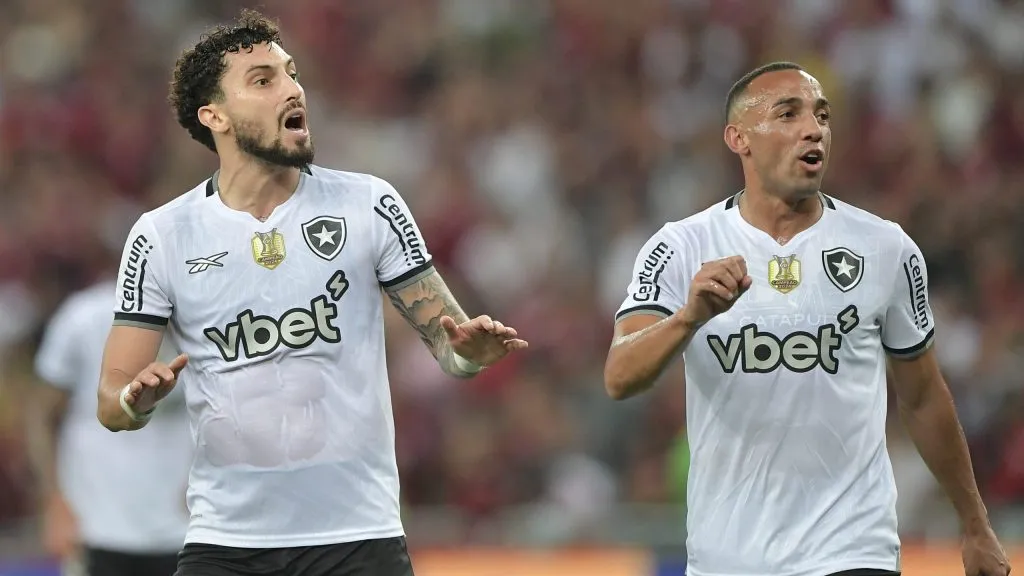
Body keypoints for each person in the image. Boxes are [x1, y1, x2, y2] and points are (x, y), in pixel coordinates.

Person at [95, 9, 527, 576]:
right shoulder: (162, 236)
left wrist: (469, 354)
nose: (292, 89)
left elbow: (449, 344)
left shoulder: (370, 204)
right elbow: (110, 401)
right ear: (214, 117)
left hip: (358, 539)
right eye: (263, 80)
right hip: (226, 546)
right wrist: (136, 399)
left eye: (291, 73)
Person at [604, 61, 1011, 576]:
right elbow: (620, 376)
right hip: (727, 559)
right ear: (739, 138)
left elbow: (924, 396)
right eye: (787, 113)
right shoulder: (681, 247)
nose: (813, 127)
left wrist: (975, 524)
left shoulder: (885, 248)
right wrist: (689, 318)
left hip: (852, 550)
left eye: (821, 115)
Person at [33, 277, 191, 576]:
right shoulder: (82, 317)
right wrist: (54, 500)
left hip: (187, 527)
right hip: (97, 525)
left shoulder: (208, 318)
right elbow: (41, 414)